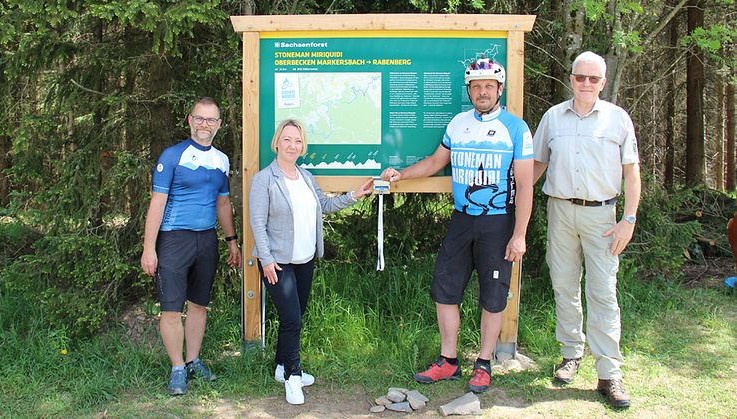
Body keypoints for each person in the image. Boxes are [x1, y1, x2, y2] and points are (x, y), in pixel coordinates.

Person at [381, 57, 534, 393]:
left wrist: (519, 234)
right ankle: (448, 361)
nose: (482, 92)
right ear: (469, 90)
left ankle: (483, 363)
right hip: (462, 219)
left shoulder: (516, 128)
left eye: (488, 86)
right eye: (476, 86)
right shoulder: (458, 123)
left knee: (493, 295)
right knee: (445, 288)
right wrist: (400, 175)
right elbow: (437, 161)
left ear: (499, 89)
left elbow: (525, 185)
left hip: (498, 222)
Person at [532, 51, 641, 409]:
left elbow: (631, 172)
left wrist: (629, 219)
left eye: (594, 79)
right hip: (560, 211)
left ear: (603, 83)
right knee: (564, 287)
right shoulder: (553, 117)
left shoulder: (617, 119)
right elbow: (537, 164)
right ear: (571, 79)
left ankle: (609, 373)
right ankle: (570, 355)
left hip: (603, 219)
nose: (587, 84)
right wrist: (513, 202)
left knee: (603, 293)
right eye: (581, 77)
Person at [249, 119, 373, 405]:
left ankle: (281, 366)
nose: (293, 145)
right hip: (278, 263)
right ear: (277, 142)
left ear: (303, 147)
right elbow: (257, 223)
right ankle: (293, 376)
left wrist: (355, 195)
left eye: (298, 141)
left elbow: (325, 206)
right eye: (288, 139)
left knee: (294, 317)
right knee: (291, 319)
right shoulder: (264, 180)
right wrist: (266, 260)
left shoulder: (305, 176)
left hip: (305, 260)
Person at [140, 97, 241, 395]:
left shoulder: (221, 160)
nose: (204, 125)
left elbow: (223, 203)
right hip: (173, 239)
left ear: (219, 124)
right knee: (171, 308)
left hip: (206, 239)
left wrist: (231, 241)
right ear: (190, 120)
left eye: (211, 120)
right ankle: (177, 368)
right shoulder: (173, 156)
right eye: (199, 118)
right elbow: (157, 203)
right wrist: (149, 247)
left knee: (199, 304)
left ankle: (193, 360)